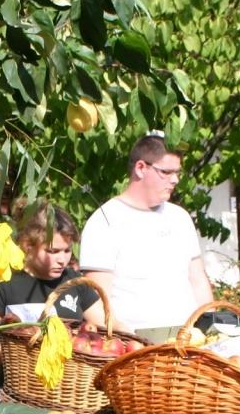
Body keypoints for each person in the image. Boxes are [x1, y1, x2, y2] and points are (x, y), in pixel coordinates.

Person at [80, 134, 214, 332]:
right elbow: (97, 302)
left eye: (177, 172)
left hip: (189, 343)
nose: (175, 180)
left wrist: (209, 328)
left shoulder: (180, 218)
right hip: (134, 348)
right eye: (166, 172)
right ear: (140, 168)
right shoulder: (105, 221)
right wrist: (128, 342)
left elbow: (198, 281)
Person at [0, 201, 104, 371]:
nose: (63, 259)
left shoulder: (75, 282)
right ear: (28, 246)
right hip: (19, 389)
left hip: (71, 388)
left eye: (67, 250)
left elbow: (108, 327)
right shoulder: (8, 285)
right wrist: (19, 354)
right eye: (53, 251)